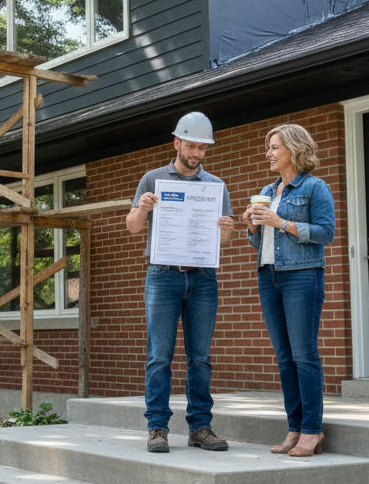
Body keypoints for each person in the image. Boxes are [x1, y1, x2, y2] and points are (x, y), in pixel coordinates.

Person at [125, 112, 235, 454]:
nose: (197, 153)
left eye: (203, 148)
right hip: (162, 276)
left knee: (200, 358)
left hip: (202, 277)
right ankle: (157, 428)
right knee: (159, 355)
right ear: (177, 143)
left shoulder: (216, 186)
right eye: (191, 145)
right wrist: (142, 208)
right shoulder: (153, 179)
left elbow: (225, 240)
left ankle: (200, 428)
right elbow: (132, 227)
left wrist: (226, 228)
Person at [241, 124, 335, 457]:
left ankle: (312, 430)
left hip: (301, 276)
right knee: (284, 358)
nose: (268, 153)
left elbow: (326, 232)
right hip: (269, 276)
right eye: (268, 147)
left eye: (274, 147)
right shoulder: (268, 190)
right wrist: (252, 225)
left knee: (304, 355)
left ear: (294, 150)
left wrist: (280, 222)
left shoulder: (314, 187)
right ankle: (294, 428)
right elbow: (260, 240)